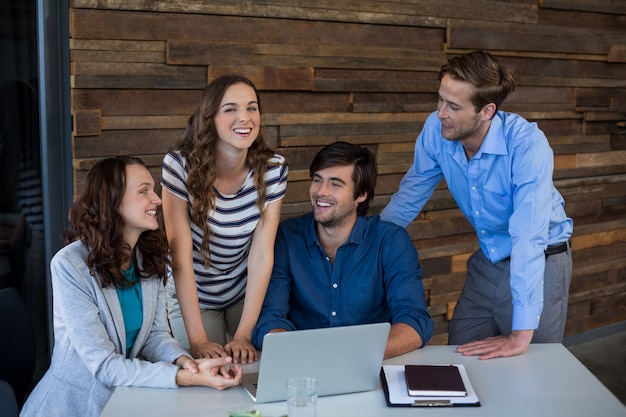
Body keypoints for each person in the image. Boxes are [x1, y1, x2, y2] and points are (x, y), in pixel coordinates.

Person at [380, 50, 573, 359]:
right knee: (461, 355)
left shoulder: (527, 145)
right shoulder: (436, 129)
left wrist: (520, 335)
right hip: (489, 260)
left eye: (453, 106)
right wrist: (367, 245)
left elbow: (528, 235)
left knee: (534, 367)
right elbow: (409, 196)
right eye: (440, 99)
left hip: (542, 263)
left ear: (486, 111)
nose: (441, 113)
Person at [20, 157, 242, 417]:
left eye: (154, 190)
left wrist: (189, 364)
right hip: (73, 407)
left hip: (126, 399)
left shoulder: (146, 257)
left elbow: (154, 336)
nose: (157, 200)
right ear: (112, 202)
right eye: (144, 191)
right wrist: (184, 377)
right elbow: (104, 365)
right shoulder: (70, 265)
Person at [253, 142, 433, 359]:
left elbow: (415, 321)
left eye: (335, 184)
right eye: (317, 180)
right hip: (304, 366)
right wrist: (298, 356)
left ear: (361, 195)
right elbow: (270, 319)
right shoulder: (287, 237)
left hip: (370, 366)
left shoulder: (390, 241)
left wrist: (353, 356)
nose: (321, 191)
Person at [161, 75, 288, 365]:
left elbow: (261, 255)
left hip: (243, 292)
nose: (244, 117)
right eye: (230, 108)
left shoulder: (273, 169)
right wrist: (199, 340)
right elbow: (179, 258)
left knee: (252, 370)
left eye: (252, 107)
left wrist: (244, 333)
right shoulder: (179, 165)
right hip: (195, 295)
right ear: (210, 118)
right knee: (207, 372)